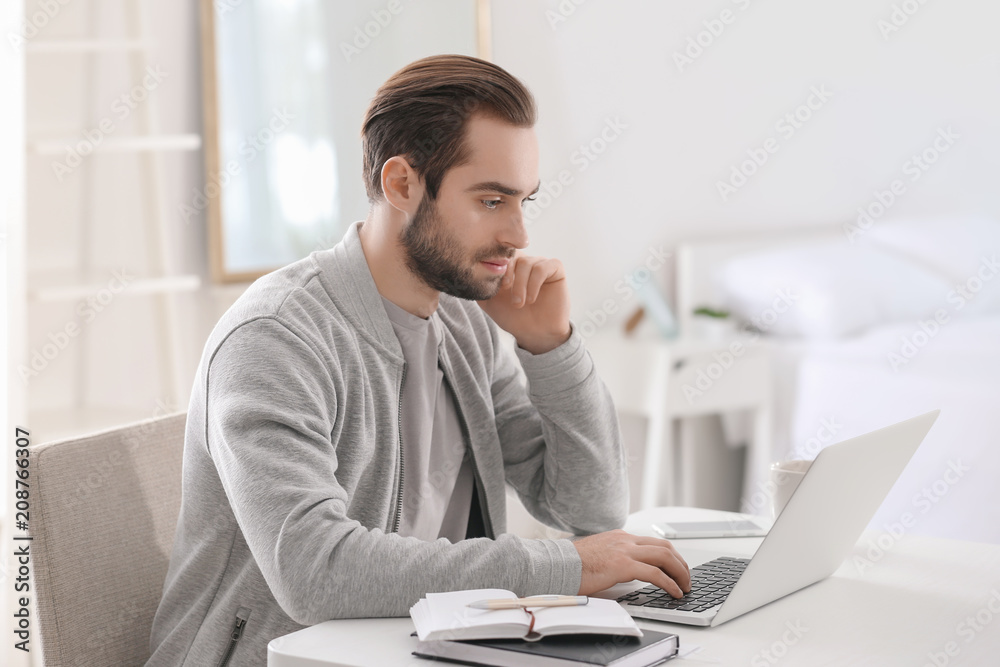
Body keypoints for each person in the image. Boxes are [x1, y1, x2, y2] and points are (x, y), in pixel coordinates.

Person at [146, 54, 689, 666]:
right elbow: (315, 570)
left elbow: (588, 511)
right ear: (401, 183)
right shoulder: (275, 339)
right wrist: (562, 566)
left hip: (434, 646)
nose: (518, 234)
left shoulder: (465, 324)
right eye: (491, 200)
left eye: (524, 201)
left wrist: (551, 348)